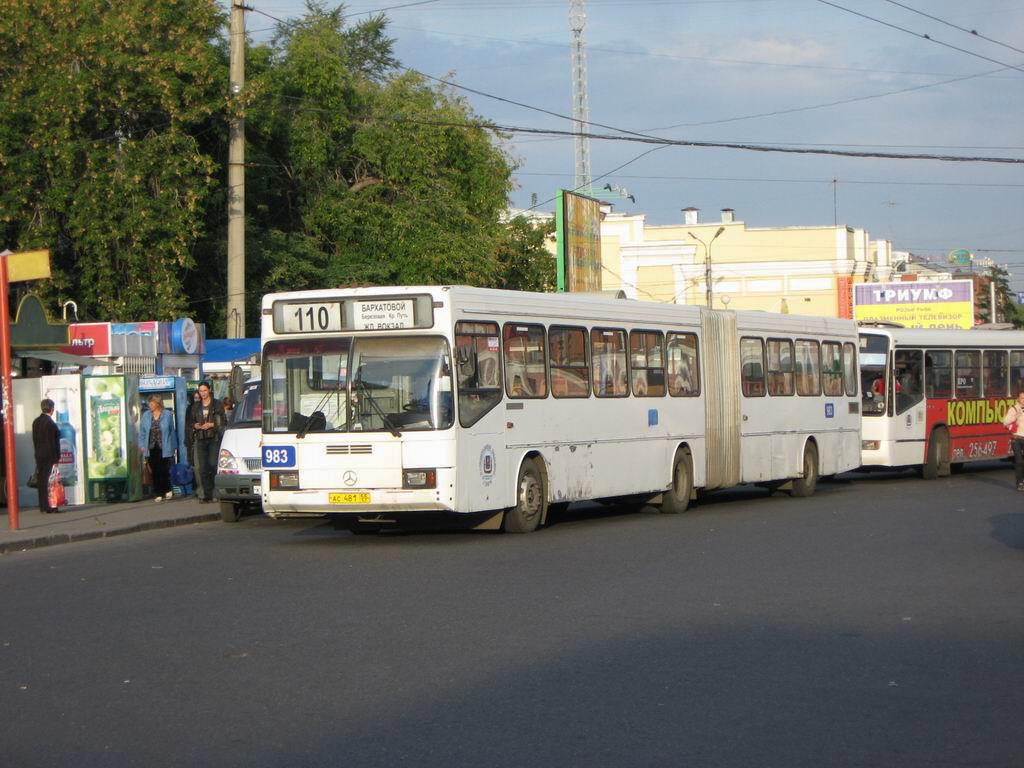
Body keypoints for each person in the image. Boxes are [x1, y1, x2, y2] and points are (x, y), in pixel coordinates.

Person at [191, 381, 226, 503]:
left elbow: (223, 421)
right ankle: (206, 494)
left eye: (205, 390)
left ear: (209, 390)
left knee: (212, 464)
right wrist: (195, 425)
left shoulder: (217, 404)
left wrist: (211, 424)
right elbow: (190, 422)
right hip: (200, 437)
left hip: (213, 438)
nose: (203, 393)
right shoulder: (196, 406)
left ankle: (215, 491)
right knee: (202, 467)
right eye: (201, 391)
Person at [138, 395, 177, 502]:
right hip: (151, 447)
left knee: (164, 469)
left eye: (152, 403)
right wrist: (141, 445)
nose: (150, 405)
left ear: (158, 403)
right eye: (149, 403)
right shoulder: (146, 415)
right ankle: (158, 493)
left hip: (164, 446)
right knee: (155, 470)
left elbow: (172, 431)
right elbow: (142, 432)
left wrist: (174, 446)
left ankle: (167, 489)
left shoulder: (167, 415)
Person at [32, 398, 61, 514]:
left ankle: (43, 506)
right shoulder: (50, 423)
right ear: (52, 409)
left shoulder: (36, 422)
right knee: (50, 481)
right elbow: (51, 442)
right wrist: (55, 459)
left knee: (42, 481)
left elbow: (35, 440)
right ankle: (51, 506)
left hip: (39, 454)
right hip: (49, 455)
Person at [1001, 388, 1024, 491]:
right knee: (1019, 461)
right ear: (1018, 399)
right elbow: (1005, 422)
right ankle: (1019, 483)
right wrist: (1015, 417)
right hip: (1016, 438)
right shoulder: (1013, 409)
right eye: (1022, 398)